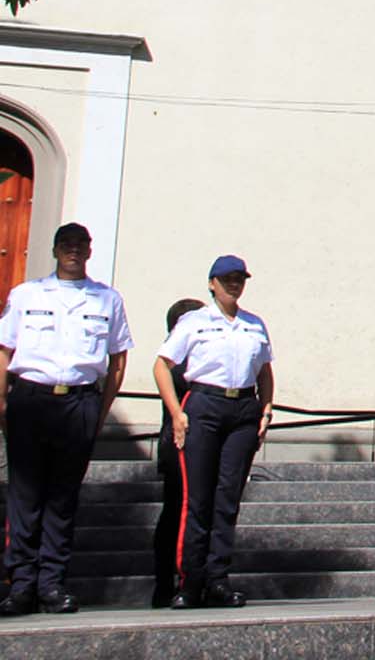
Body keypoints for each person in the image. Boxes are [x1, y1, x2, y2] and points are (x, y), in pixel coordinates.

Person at [0, 222, 132, 616]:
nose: (73, 251)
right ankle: (21, 585)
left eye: (80, 245)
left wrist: (99, 411)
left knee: (63, 498)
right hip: (31, 400)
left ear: (89, 252)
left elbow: (118, 360)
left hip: (78, 403)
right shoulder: (27, 294)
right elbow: (5, 351)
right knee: (25, 496)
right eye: (66, 245)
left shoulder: (107, 299)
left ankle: (53, 585)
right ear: (56, 250)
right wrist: (2, 403)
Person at [153, 256, 275, 609]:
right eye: (226, 279)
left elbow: (264, 371)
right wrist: (177, 413)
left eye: (239, 278)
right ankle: (190, 581)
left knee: (228, 498)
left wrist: (266, 407)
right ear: (212, 283)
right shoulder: (194, 322)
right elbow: (162, 366)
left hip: (242, 410)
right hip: (204, 405)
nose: (233, 284)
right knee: (198, 499)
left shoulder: (254, 324)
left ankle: (217, 579)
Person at [151, 296, 205, 607]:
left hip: (196, 448)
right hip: (179, 448)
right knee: (176, 515)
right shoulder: (176, 363)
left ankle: (187, 579)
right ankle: (165, 582)